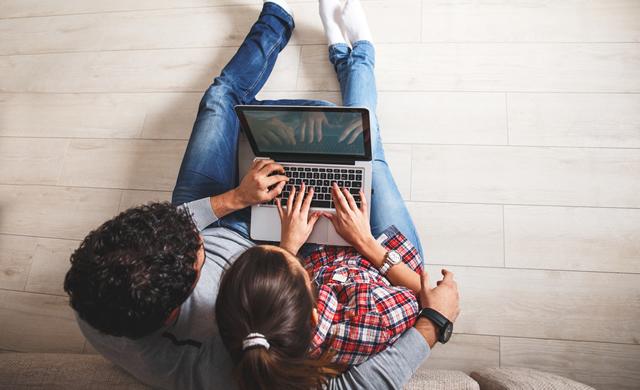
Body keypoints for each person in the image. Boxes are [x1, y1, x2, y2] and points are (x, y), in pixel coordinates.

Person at [63, 1, 460, 389]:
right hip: (280, 268)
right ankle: (353, 55)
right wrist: (290, 253)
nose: (196, 231)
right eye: (197, 252)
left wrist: (235, 197)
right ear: (176, 310)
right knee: (365, 151)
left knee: (219, 99)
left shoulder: (93, 296)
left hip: (262, 237)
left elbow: (179, 225)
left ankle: (278, 18)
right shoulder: (233, 357)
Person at [214, 1, 459, 388]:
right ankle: (357, 51)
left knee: (321, 157)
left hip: (324, 253)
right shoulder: (370, 323)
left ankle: (348, 55)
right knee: (370, 151)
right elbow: (427, 295)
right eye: (287, 265)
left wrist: (290, 246)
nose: (285, 256)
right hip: (383, 258)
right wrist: (364, 241)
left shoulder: (252, 337)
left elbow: (272, 294)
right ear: (313, 316)